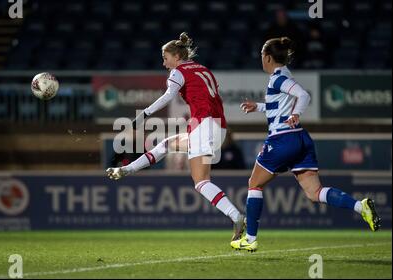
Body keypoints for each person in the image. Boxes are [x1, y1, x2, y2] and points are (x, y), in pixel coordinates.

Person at [231, 37, 381, 252]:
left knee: (254, 184)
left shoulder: (277, 78)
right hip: (301, 139)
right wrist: (259, 107)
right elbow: (280, 106)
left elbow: (304, 95)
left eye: (261, 57)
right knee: (314, 192)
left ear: (268, 57)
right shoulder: (284, 75)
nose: (261, 60)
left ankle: (250, 238)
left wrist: (296, 113)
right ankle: (361, 206)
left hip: (282, 139)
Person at [106, 32, 245, 241]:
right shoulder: (202, 69)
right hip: (218, 126)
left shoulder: (179, 71)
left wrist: (144, 114)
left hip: (204, 124)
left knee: (201, 182)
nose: (164, 63)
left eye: (165, 58)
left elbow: (168, 96)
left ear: (176, 56)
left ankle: (236, 216)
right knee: (166, 144)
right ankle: (126, 169)